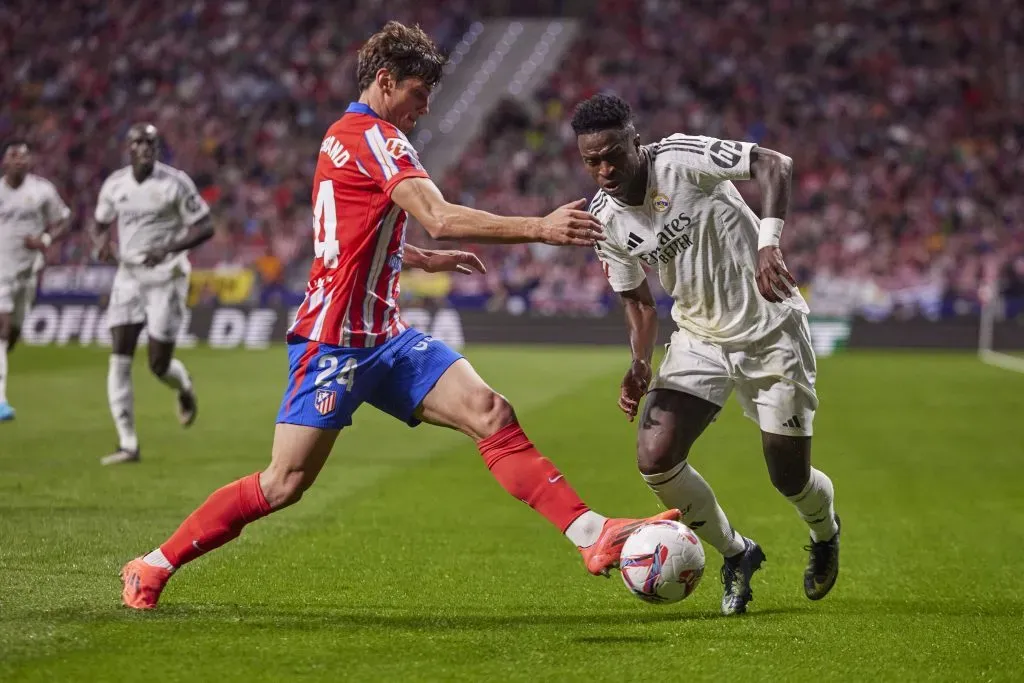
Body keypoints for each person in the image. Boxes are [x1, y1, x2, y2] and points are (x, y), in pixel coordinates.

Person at [119, 22, 678, 610]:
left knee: (491, 412)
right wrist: (539, 226)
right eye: (419, 93)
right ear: (385, 82)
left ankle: (592, 534)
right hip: (332, 343)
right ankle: (152, 565)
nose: (426, 107)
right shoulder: (379, 139)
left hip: (385, 336)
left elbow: (343, 233)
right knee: (283, 484)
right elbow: (435, 213)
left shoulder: (340, 135)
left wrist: (414, 257)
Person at [573, 93, 840, 616]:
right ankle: (737, 553)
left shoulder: (678, 159)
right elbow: (638, 300)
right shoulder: (603, 218)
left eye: (613, 155)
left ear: (636, 140)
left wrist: (769, 243)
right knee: (655, 456)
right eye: (591, 160)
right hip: (699, 336)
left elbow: (774, 165)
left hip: (771, 329)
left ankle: (824, 531)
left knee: (788, 475)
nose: (604, 170)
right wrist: (640, 361)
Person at [91, 123, 215, 464]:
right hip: (128, 278)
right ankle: (128, 443)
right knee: (119, 358)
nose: (146, 148)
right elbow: (100, 222)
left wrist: (169, 249)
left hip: (167, 278)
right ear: (128, 148)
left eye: (151, 142)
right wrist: (101, 244)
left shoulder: (174, 183)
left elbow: (206, 225)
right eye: (139, 143)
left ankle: (184, 386)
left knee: (158, 365)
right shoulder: (115, 185)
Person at [0, 141, 71, 420]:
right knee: (3, 330)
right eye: (14, 156)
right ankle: (1, 401)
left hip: (28, 273)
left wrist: (45, 239)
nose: (19, 160)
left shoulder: (42, 191)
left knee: (12, 334)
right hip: (0, 272)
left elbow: (63, 220)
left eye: (24, 156)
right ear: (5, 161)